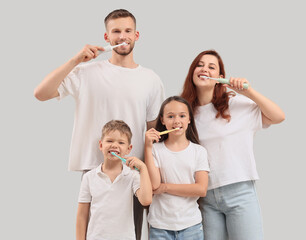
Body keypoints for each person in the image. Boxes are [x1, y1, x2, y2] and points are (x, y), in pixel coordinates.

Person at [33, 9, 165, 239]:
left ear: (136, 35)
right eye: (116, 31)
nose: (122, 36)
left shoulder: (151, 79)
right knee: (93, 230)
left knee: (131, 232)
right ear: (107, 37)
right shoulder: (86, 72)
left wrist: (146, 170)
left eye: (127, 31)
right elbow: (41, 93)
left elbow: (153, 132)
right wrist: (75, 59)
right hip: (93, 166)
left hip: (131, 170)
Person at [180, 50, 285, 240]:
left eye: (212, 67)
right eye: (200, 65)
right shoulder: (185, 114)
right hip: (205, 199)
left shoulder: (236, 105)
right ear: (192, 71)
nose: (204, 69)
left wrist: (248, 92)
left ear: (221, 77)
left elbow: (278, 116)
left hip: (240, 192)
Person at [144, 96, 210, 240]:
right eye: (170, 116)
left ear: (189, 119)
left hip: (191, 225)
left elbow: (201, 189)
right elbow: (155, 184)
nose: (176, 121)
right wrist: (147, 147)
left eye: (182, 116)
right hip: (160, 226)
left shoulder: (199, 151)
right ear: (162, 120)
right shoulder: (155, 150)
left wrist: (166, 187)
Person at [76, 120, 152, 240]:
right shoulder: (89, 178)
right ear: (101, 145)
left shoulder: (132, 176)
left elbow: (146, 200)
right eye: (110, 141)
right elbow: (82, 215)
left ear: (128, 149)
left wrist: (143, 168)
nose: (114, 145)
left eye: (121, 142)